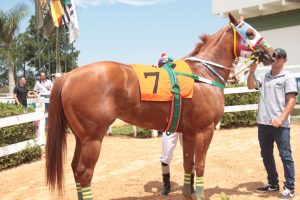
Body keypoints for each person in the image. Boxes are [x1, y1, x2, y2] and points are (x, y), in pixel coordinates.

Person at [247, 48, 297, 200]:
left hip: (280, 125)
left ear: (285, 60)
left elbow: (292, 100)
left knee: (285, 155)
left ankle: (290, 188)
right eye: (274, 55)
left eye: (280, 56)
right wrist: (251, 71)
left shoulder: (287, 77)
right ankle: (273, 183)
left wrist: (281, 118)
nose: (276, 58)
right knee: (266, 154)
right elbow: (250, 86)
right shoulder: (264, 76)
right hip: (263, 124)